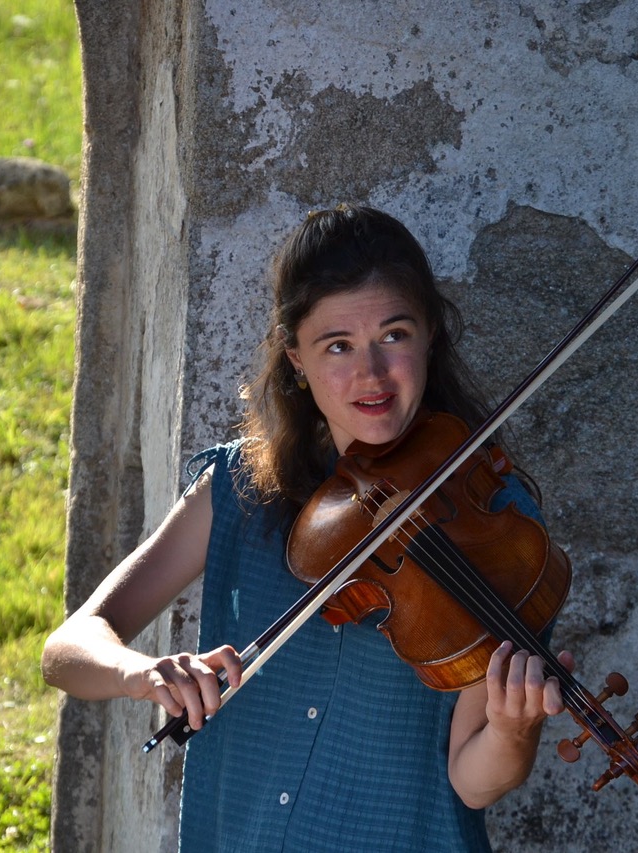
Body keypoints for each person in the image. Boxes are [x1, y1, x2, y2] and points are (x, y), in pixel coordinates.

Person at [41, 203, 572, 852]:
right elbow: (67, 649)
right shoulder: (241, 490)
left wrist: (516, 728)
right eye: (338, 345)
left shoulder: (496, 522)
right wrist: (143, 673)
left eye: (394, 335)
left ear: (430, 333)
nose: (371, 374)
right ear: (296, 357)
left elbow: (473, 779)